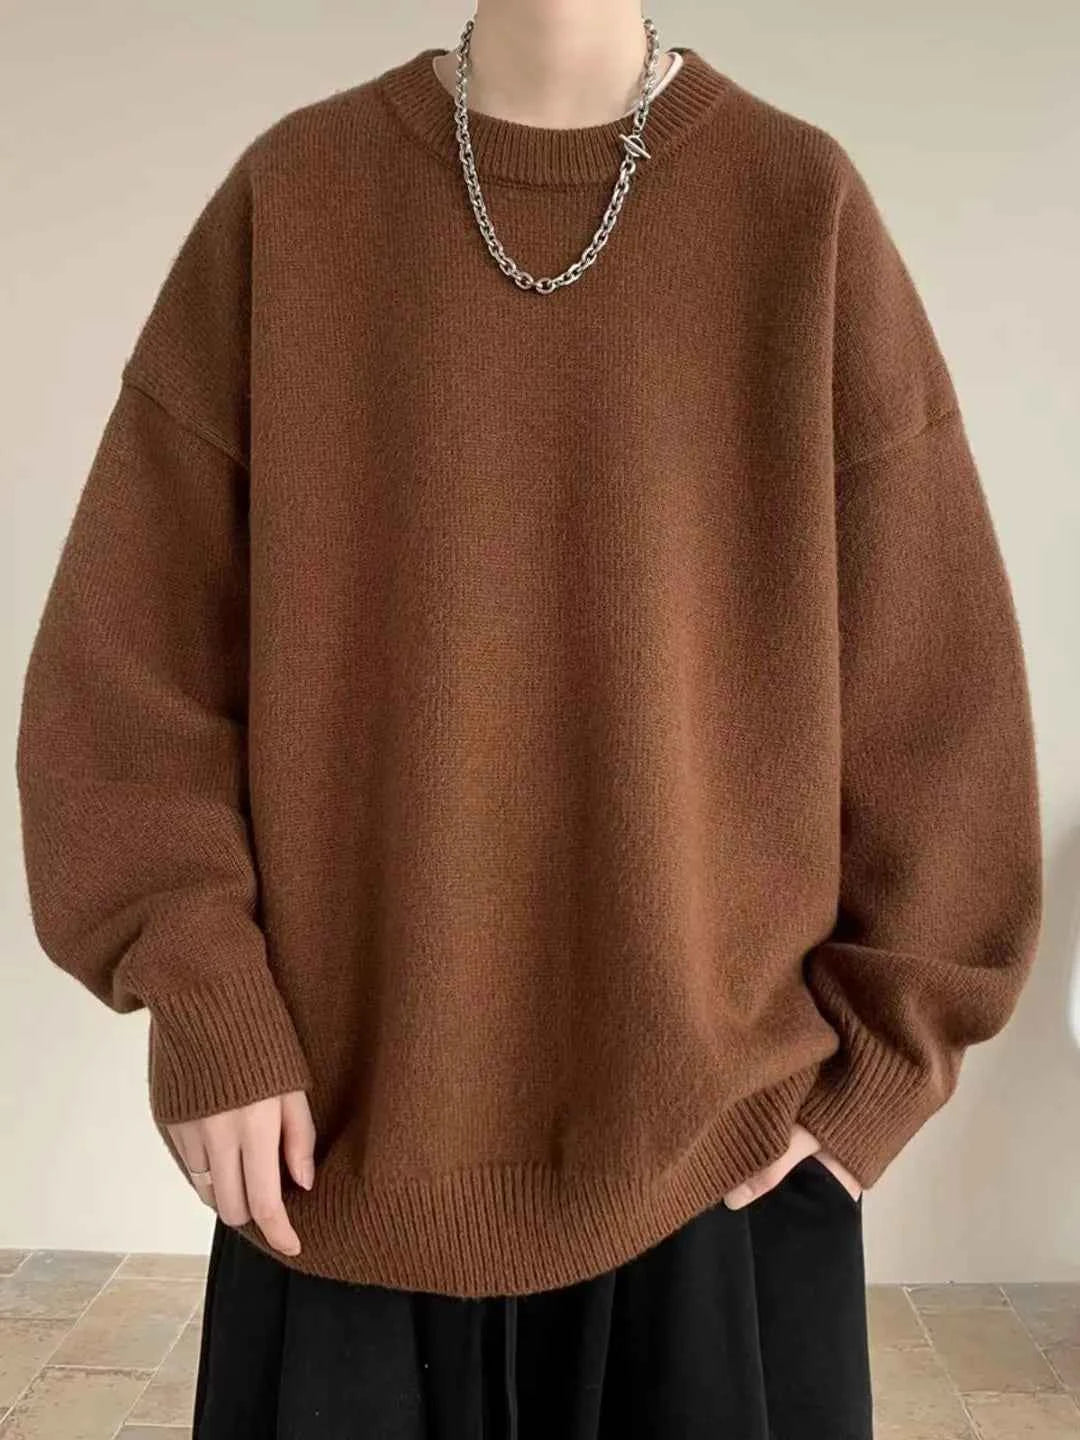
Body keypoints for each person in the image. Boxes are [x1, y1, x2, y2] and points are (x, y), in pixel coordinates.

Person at [15, 2, 1043, 1436]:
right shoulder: (297, 197)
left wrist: (881, 1070)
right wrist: (205, 997)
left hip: (722, 1170)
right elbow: (127, 671)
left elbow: (936, 696)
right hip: (334, 1158)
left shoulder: (796, 206)